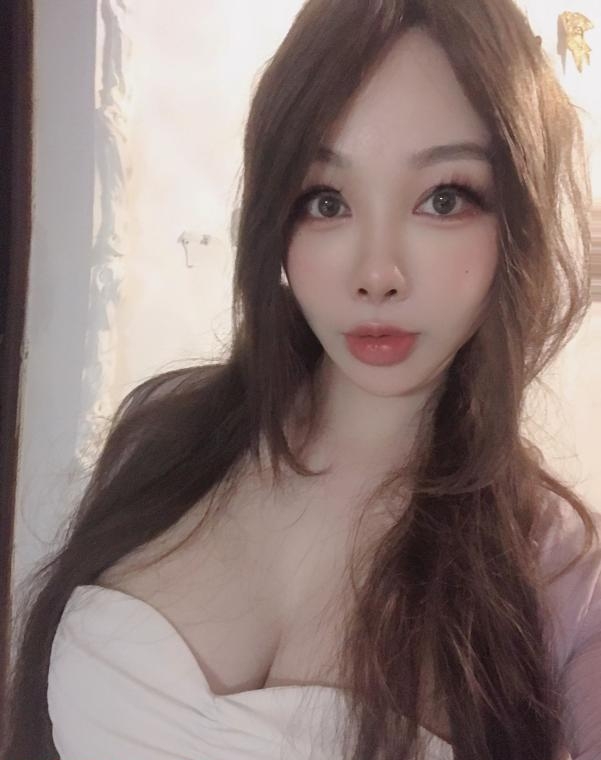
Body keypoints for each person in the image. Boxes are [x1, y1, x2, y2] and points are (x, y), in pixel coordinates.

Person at [3, 1, 600, 758]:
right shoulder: (167, 433)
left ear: (517, 217)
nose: (376, 273)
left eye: (443, 198)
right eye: (326, 200)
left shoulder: (559, 575)